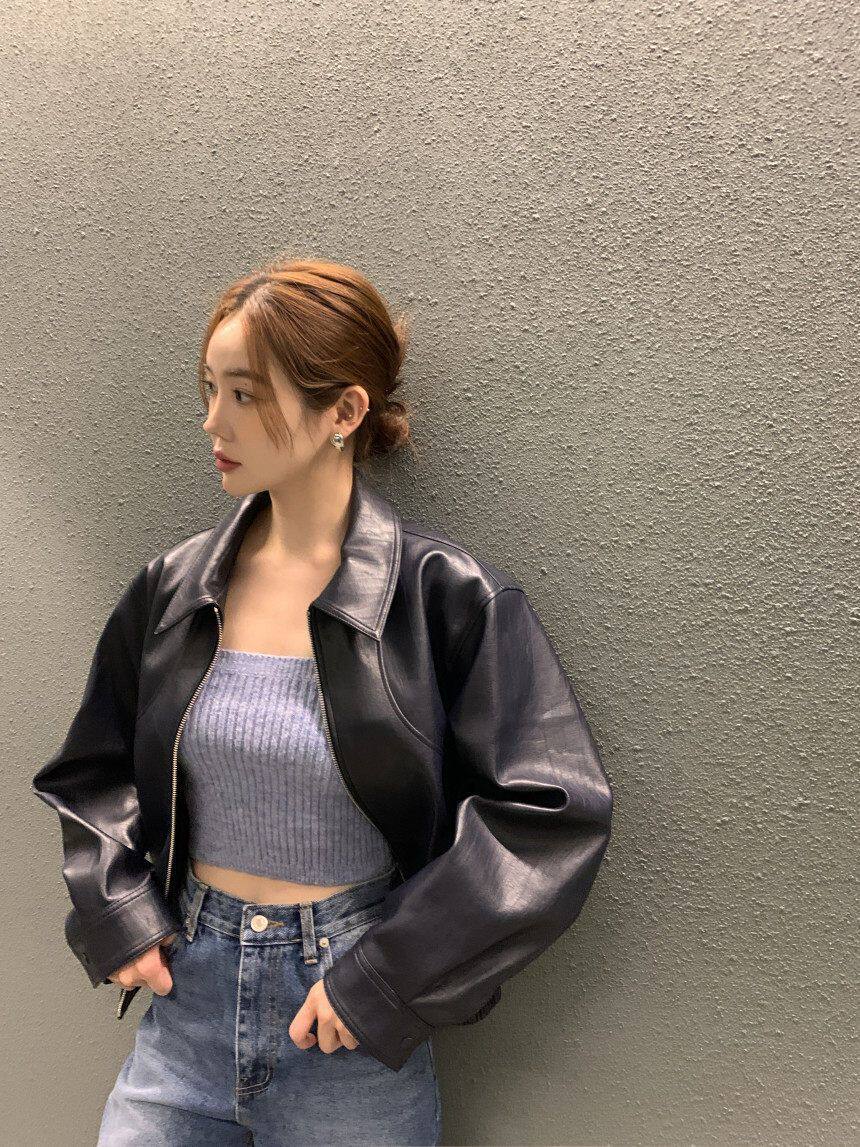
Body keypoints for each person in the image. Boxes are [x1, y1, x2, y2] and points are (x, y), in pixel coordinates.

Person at [32, 257, 614, 1146]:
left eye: (245, 394)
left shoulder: (444, 596)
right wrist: (121, 915)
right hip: (186, 1004)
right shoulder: (176, 588)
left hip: (346, 1024)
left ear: (343, 411)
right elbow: (91, 771)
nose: (213, 421)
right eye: (210, 389)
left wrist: (387, 978)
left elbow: (550, 812)